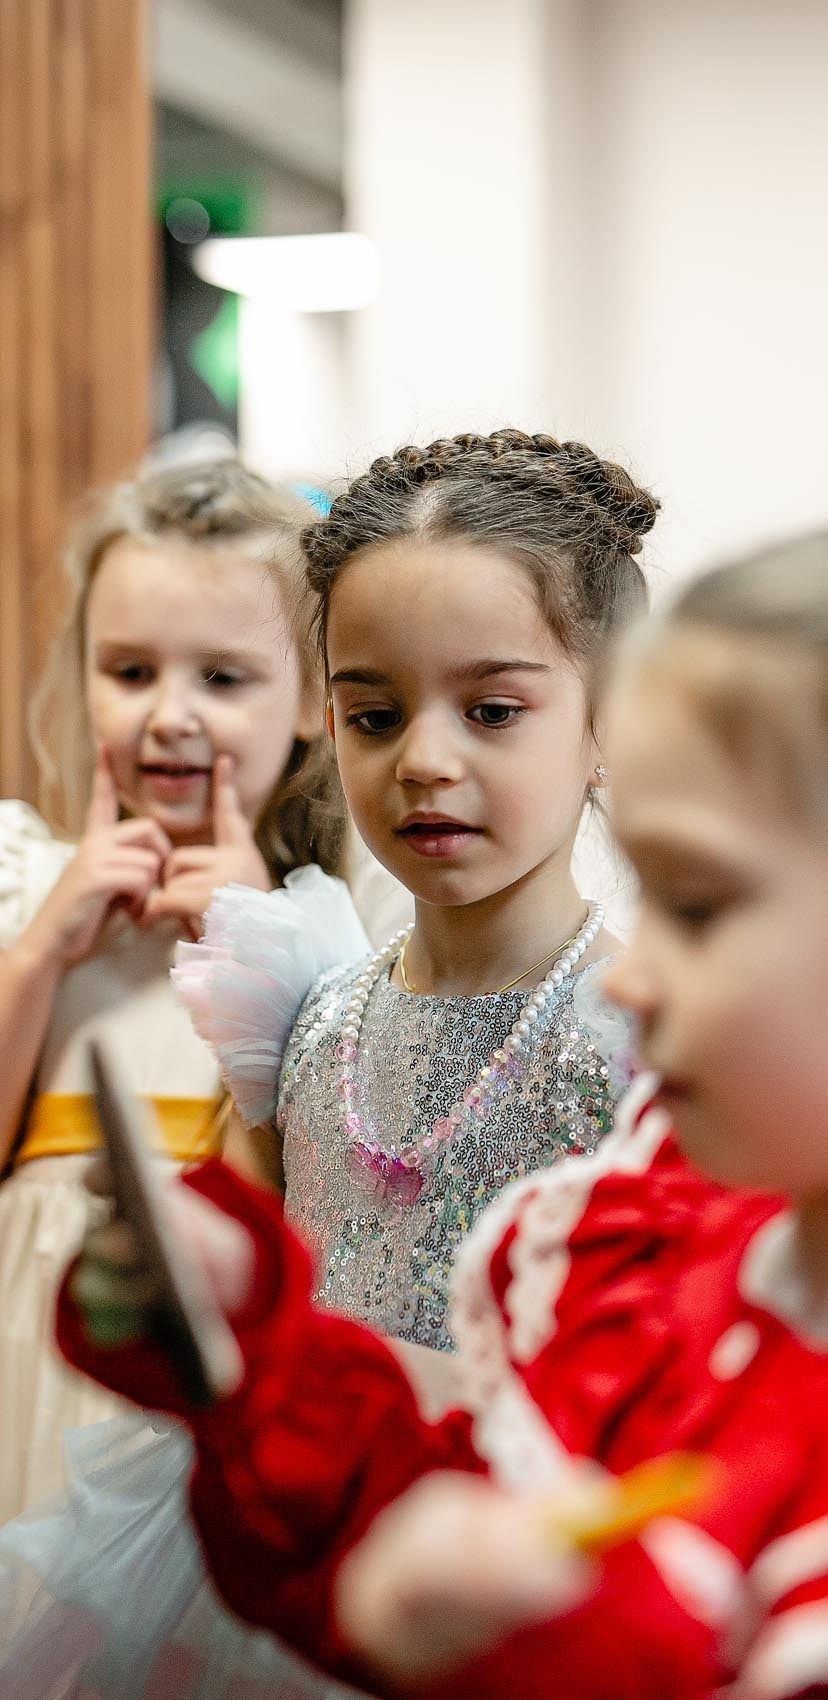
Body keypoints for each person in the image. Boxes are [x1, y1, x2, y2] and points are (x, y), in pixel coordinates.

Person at [58, 504, 828, 1699]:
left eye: (699, 905)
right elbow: (448, 1517)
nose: (628, 970)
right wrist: (246, 1326)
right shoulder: (635, 1258)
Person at [1, 429, 652, 1699]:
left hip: (492, 1569)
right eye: (373, 710)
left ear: (604, 722)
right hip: (270, 1568)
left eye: (494, 709)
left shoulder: (640, 1036)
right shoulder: (304, 1007)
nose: (422, 757)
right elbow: (252, 1270)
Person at [0, 455, 339, 1524]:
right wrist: (41, 950)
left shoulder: (330, 925)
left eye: (223, 678)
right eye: (131, 670)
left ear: (315, 703)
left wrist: (258, 944)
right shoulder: (19, 885)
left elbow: (317, 1201)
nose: (169, 716)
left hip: (186, 1396)